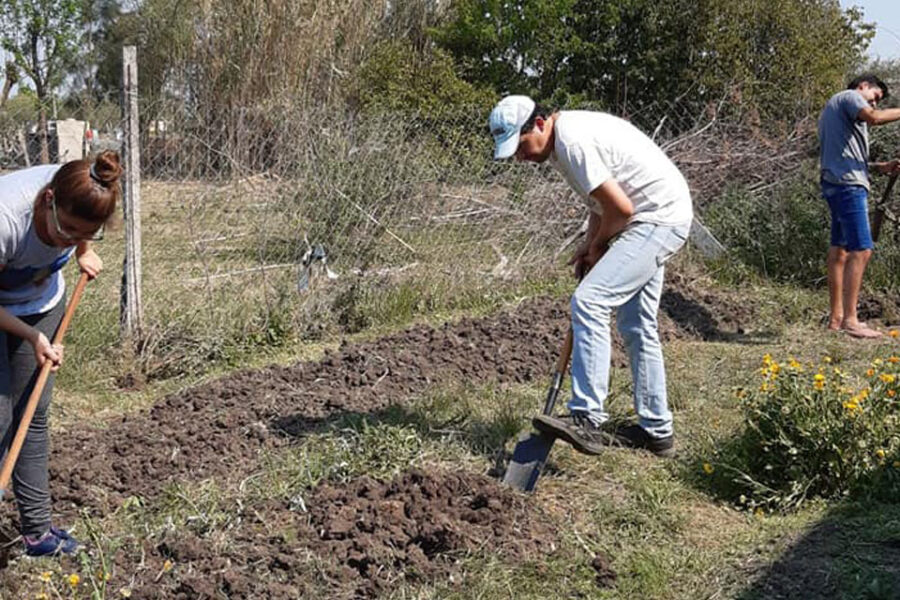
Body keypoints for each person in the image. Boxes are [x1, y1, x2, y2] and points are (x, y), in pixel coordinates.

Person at [489, 96, 693, 457]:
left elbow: (622, 209)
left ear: (538, 124)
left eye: (520, 146)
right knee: (636, 324)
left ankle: (587, 418)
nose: (519, 158)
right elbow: (603, 203)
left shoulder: (573, 143)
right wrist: (589, 245)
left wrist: (600, 248)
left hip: (657, 218)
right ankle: (657, 432)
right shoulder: (563, 141)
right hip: (657, 214)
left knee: (590, 301)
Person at [0, 151, 121, 556]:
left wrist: (83, 248)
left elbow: (79, 225)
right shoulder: (5, 219)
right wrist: (32, 339)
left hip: (39, 303)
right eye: (66, 230)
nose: (67, 241)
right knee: (0, 418)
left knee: (32, 414)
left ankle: (37, 534)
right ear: (48, 199)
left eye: (83, 233)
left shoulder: (80, 188)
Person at [819, 74, 900, 338]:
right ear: (863, 86)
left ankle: (836, 318)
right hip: (848, 186)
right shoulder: (850, 97)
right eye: (875, 97)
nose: (875, 106)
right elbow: (875, 119)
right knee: (862, 249)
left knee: (840, 251)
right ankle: (852, 321)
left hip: (836, 182)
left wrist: (880, 168)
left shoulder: (834, 110)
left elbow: (844, 156)